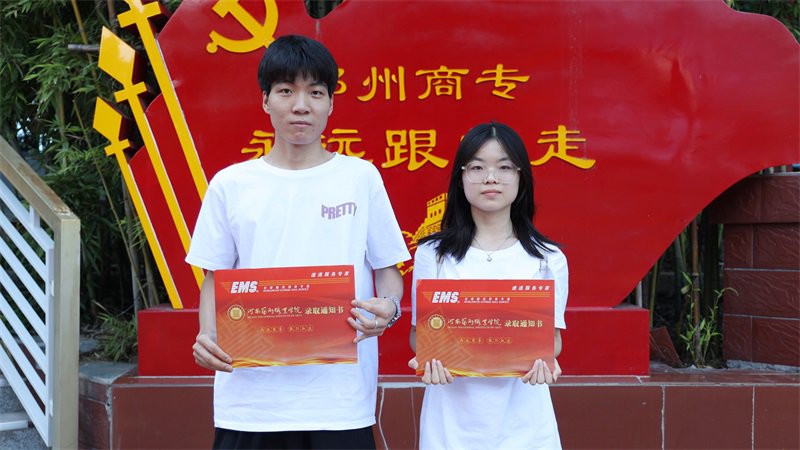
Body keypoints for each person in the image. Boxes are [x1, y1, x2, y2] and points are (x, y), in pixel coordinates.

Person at [187, 35, 410, 449]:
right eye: (286, 91)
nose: (301, 105)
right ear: (265, 101)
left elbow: (387, 271)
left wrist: (390, 308)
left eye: (315, 92)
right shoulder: (231, 184)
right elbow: (215, 277)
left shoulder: (360, 178)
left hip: (339, 401)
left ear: (331, 104)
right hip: (250, 400)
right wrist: (207, 336)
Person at [408, 122, 568, 449]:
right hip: (450, 423)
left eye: (504, 167)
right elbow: (418, 335)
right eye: (477, 167)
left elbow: (552, 339)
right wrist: (427, 358)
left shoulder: (548, 258)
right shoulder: (432, 254)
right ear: (461, 178)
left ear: (521, 178)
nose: (490, 178)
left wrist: (544, 361)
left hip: (525, 425)